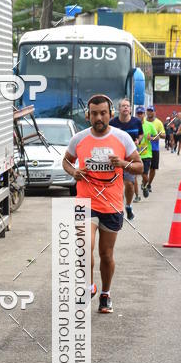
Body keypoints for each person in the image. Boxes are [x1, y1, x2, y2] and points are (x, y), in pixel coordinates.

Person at [63, 94, 143, 313]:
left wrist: (124, 163)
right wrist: (74, 172)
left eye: (103, 113)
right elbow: (66, 161)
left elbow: (139, 167)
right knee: (83, 247)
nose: (98, 117)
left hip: (112, 205)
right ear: (88, 115)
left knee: (106, 255)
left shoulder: (122, 138)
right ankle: (89, 287)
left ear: (111, 114)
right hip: (85, 203)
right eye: (94, 113)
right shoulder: (78, 139)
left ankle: (105, 294)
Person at [109, 98, 142, 220]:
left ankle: (128, 205)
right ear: (119, 109)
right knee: (115, 185)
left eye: (127, 106)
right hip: (116, 157)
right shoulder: (112, 123)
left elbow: (141, 134)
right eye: (123, 106)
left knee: (129, 184)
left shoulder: (136, 122)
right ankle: (118, 209)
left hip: (130, 157)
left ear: (130, 109)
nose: (126, 108)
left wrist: (138, 141)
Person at [136, 107, 158, 198]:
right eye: (138, 113)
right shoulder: (133, 125)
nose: (140, 115)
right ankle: (136, 195)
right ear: (136, 114)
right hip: (135, 154)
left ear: (144, 114)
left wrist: (151, 138)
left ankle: (144, 186)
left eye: (141, 113)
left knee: (145, 176)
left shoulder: (149, 125)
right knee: (133, 178)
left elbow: (157, 137)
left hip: (146, 154)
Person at [146, 106, 165, 191]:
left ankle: (149, 184)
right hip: (144, 148)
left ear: (154, 112)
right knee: (144, 168)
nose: (150, 113)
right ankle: (144, 182)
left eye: (151, 111)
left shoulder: (158, 123)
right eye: (148, 111)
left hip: (154, 149)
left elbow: (164, 135)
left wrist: (157, 134)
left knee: (153, 168)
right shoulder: (143, 122)